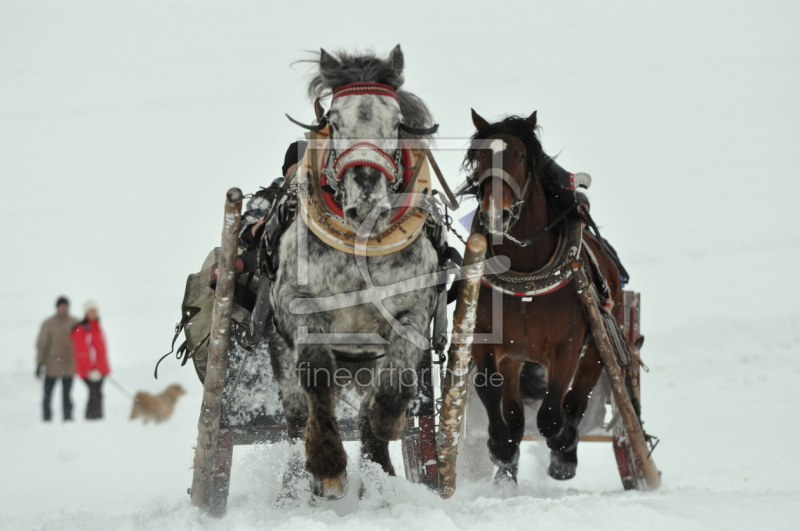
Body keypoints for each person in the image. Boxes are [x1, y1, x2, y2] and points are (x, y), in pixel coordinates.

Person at [239, 140, 307, 248]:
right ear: (286, 174)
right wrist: (257, 228)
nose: (302, 174)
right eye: (296, 170)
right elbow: (244, 229)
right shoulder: (269, 196)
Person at [36, 296, 79, 421]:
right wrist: (39, 363)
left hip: (69, 365)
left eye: (65, 305)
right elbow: (41, 344)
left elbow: (81, 344)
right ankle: (46, 419)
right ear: (57, 307)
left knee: (67, 395)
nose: (63, 308)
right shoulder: (48, 323)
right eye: (61, 305)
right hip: (52, 365)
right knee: (47, 395)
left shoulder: (75, 322)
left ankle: (68, 418)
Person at [71, 300, 111, 420]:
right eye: (90, 311)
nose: (93, 313)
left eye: (95, 311)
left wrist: (103, 368)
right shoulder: (82, 329)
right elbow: (82, 351)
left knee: (98, 394)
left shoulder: (97, 328)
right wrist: (90, 368)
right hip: (90, 370)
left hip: (100, 369)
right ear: (86, 313)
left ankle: (97, 418)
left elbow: (101, 351)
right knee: (95, 394)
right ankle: (92, 418)